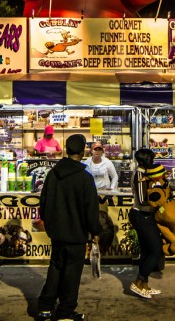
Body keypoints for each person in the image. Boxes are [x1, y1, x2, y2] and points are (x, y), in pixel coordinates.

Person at [37, 134, 101, 321]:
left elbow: (44, 202)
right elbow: (91, 210)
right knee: (72, 274)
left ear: (66, 149)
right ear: (83, 152)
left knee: (55, 268)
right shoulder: (84, 178)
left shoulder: (53, 174)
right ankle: (65, 311)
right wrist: (95, 232)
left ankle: (45, 308)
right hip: (76, 235)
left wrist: (50, 225)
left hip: (57, 233)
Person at [128, 148, 165, 299]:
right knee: (156, 251)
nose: (153, 161)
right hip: (141, 215)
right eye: (151, 158)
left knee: (147, 251)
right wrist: (159, 200)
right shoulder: (140, 174)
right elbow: (143, 199)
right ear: (145, 160)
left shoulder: (146, 173)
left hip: (146, 215)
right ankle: (139, 281)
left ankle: (144, 285)